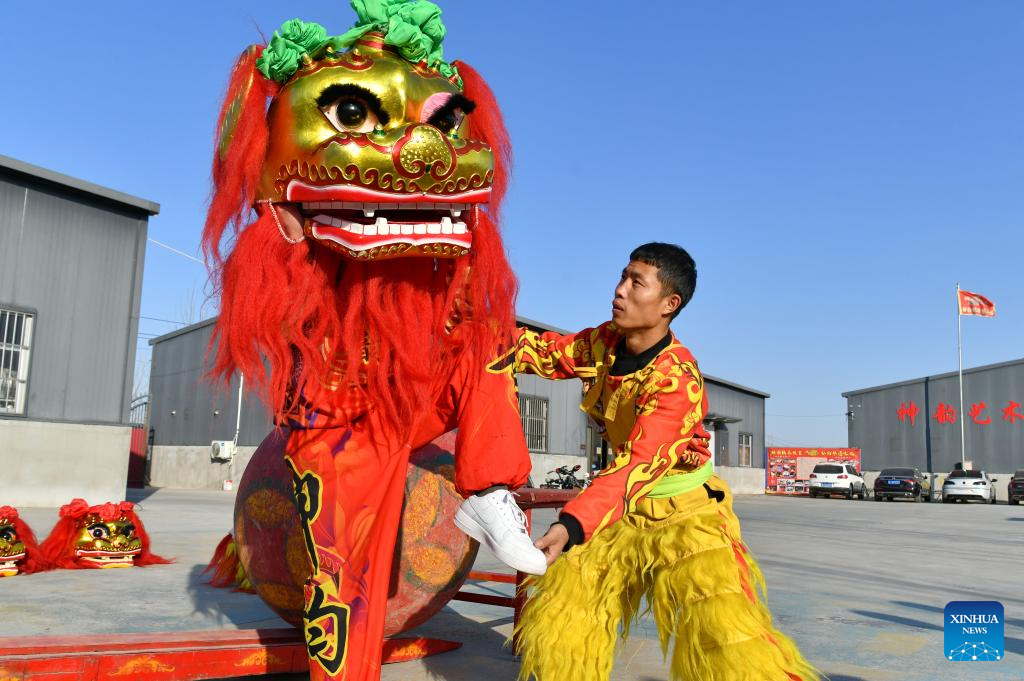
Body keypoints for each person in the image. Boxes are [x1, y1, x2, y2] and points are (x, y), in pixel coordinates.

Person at [498, 243, 818, 681]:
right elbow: (539, 351)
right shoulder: (602, 343)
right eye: (622, 276)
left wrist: (571, 525)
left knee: (728, 642)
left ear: (670, 304)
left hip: (686, 514)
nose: (619, 290)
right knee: (565, 616)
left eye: (636, 282)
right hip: (623, 512)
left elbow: (636, 467)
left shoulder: (677, 381)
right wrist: (469, 336)